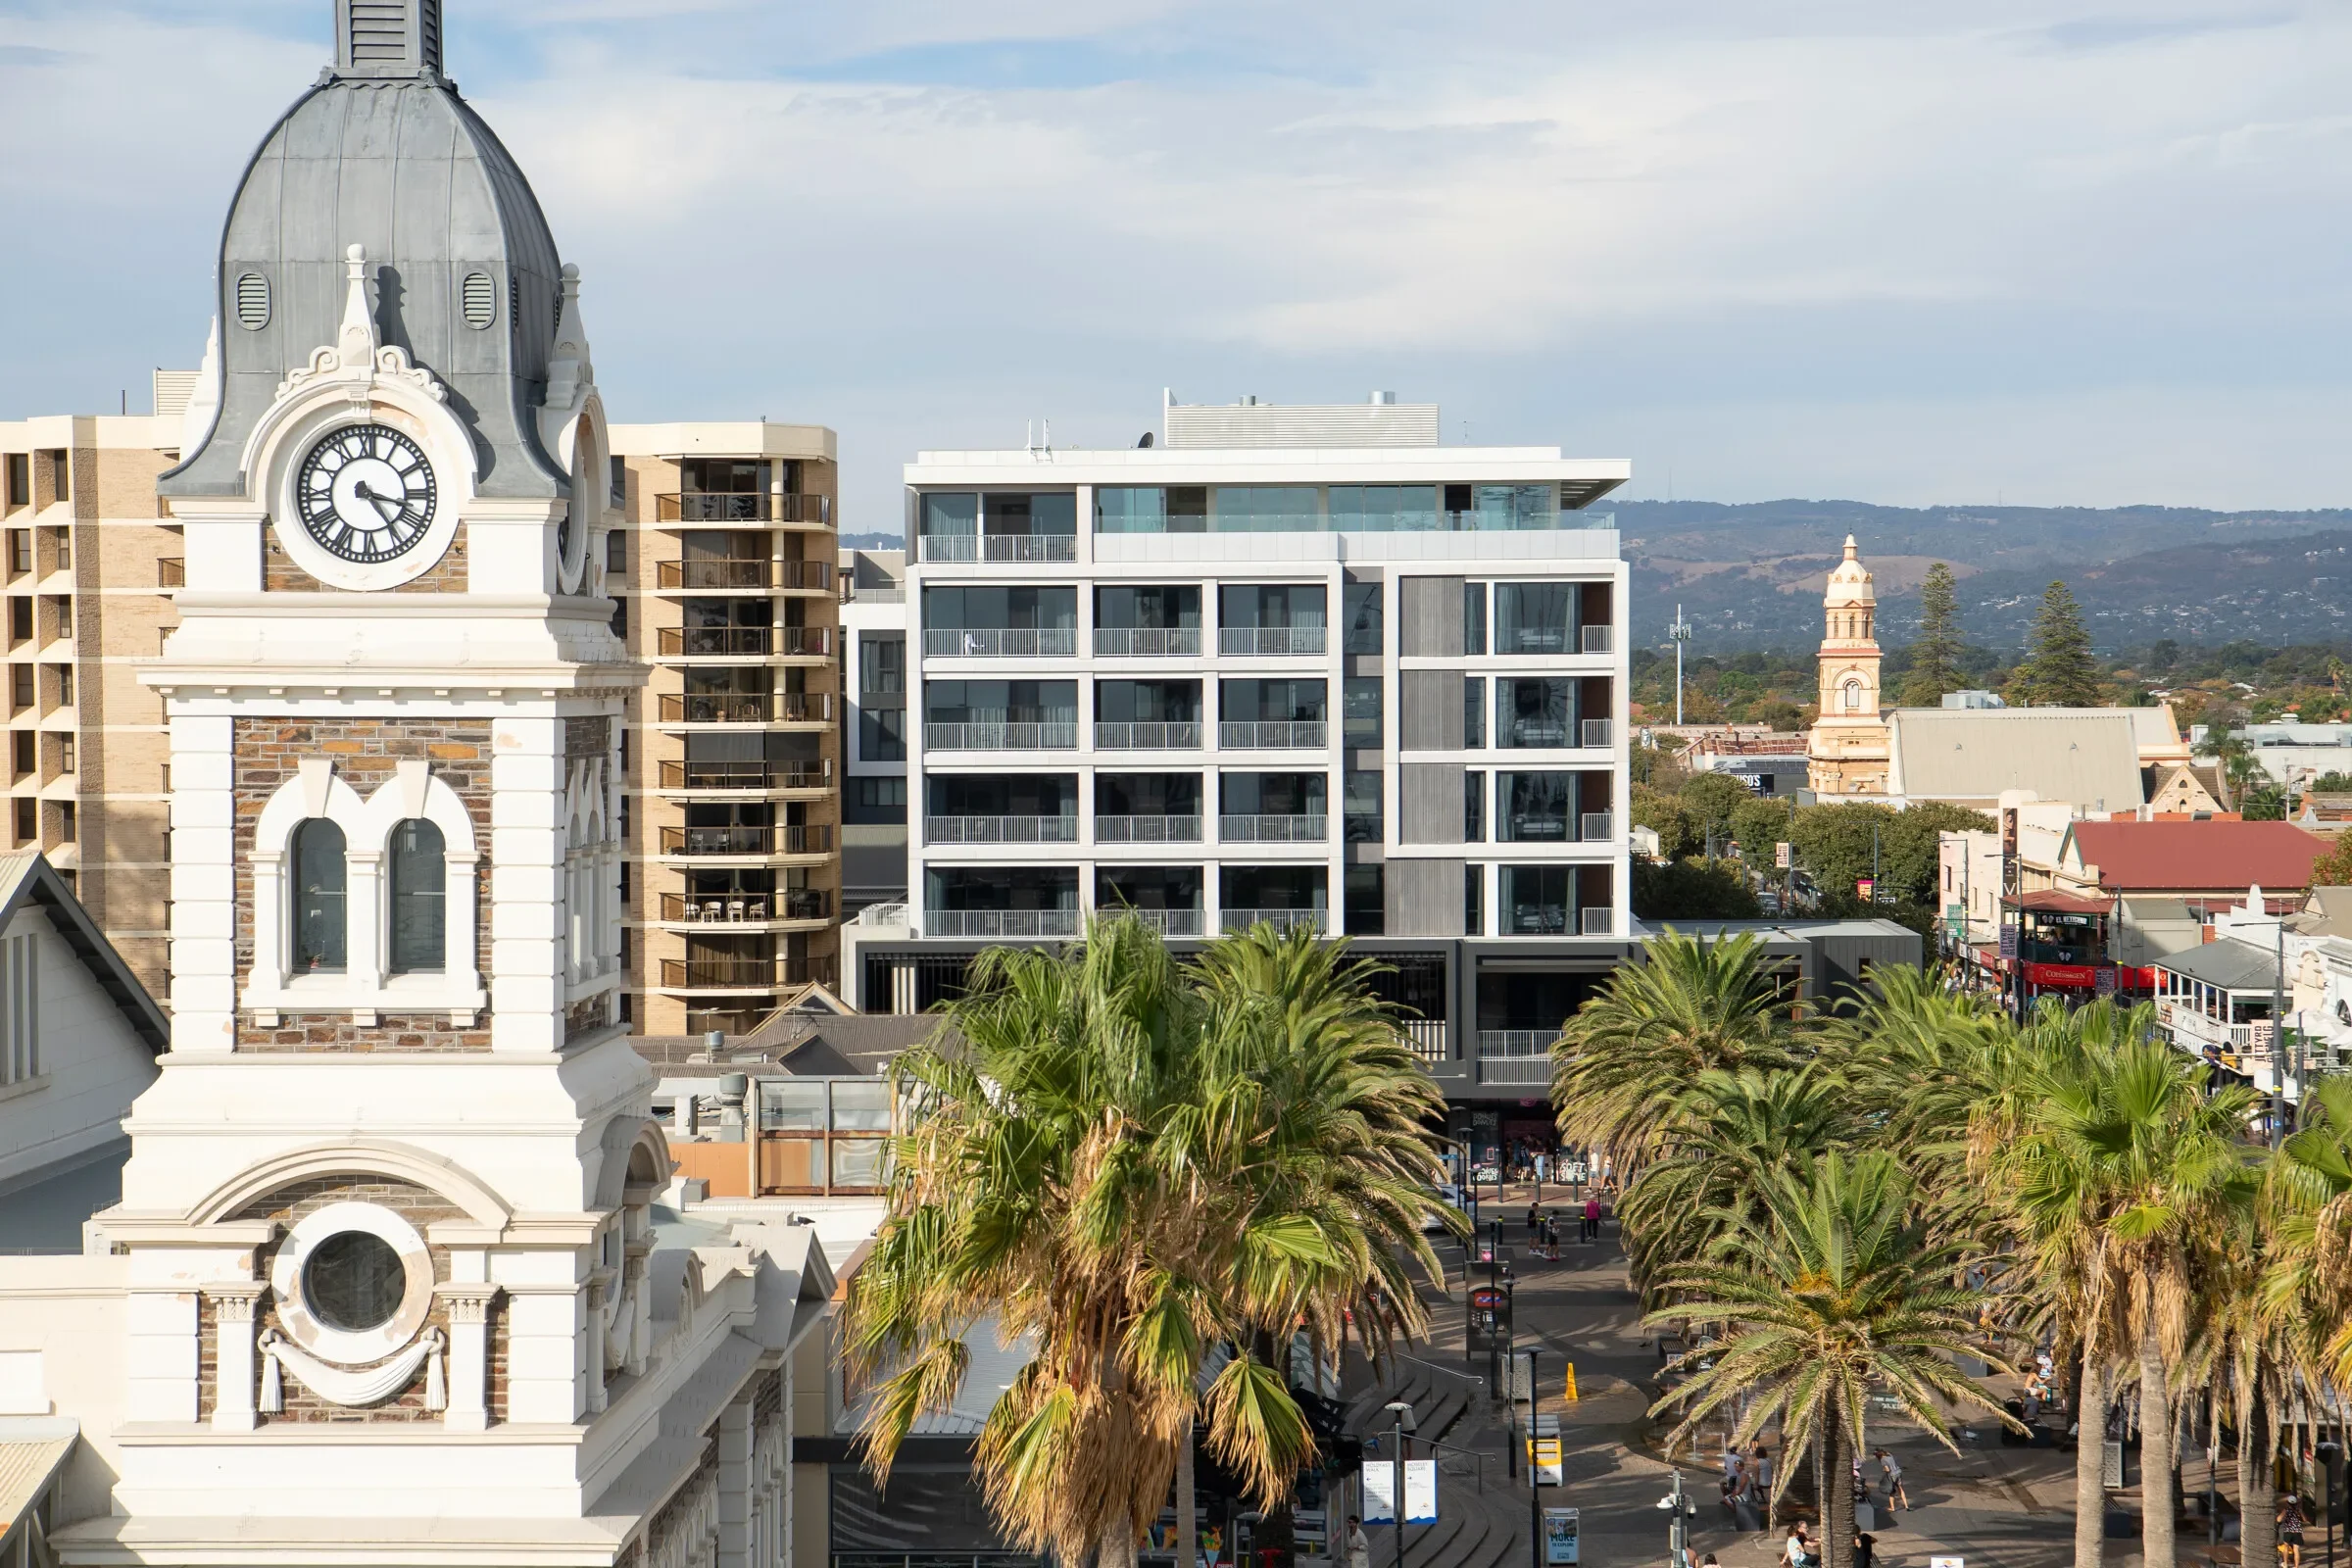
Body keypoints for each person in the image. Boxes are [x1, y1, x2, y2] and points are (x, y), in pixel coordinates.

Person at [2279, 1494, 2307, 1568]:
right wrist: (2300, 1512)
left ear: (2288, 1503)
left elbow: (2278, 1519)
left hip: (2288, 1531)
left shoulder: (2286, 1510)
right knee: (2296, 1550)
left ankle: (2285, 1564)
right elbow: (2305, 1520)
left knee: (2286, 1547)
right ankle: (2296, 1566)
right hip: (2297, 1532)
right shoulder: (2299, 1510)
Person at [1877, 1447, 1907, 1511]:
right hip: (1899, 1472)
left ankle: (1892, 1508)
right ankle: (1906, 1505)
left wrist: (1884, 1469)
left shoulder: (1882, 1460)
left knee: (1892, 1492)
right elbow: (1888, 1452)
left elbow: (1887, 1469)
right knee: (1900, 1489)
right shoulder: (1890, 1456)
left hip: (1892, 1475)